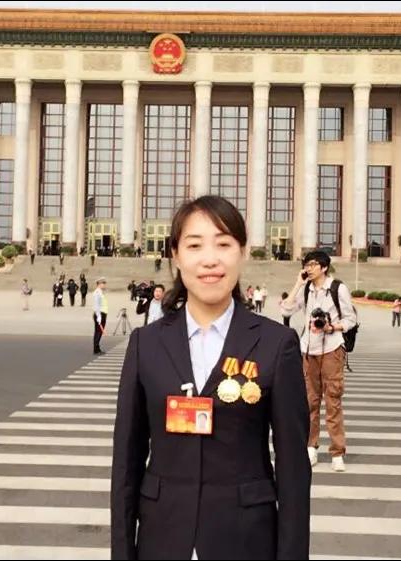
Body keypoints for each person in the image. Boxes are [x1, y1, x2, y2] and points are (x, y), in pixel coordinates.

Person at [111, 195, 310, 560]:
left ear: (242, 252)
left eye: (223, 244)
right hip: (163, 538)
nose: (210, 259)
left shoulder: (275, 344)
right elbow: (126, 464)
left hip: (246, 540)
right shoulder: (145, 344)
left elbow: (294, 471)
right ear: (175, 255)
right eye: (195, 245)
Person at [280, 250, 357, 472]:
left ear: (324, 267)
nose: (308, 268)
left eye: (313, 264)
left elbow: (351, 319)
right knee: (309, 402)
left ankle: (337, 452)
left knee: (333, 401)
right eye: (306, 264)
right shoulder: (305, 289)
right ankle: (311, 446)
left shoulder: (337, 288)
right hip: (308, 350)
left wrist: (332, 327)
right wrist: (297, 284)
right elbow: (286, 309)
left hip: (332, 349)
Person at [93, 277, 108, 354]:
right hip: (99, 314)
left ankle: (97, 348)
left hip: (102, 313)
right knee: (98, 332)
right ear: (99, 284)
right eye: (103, 283)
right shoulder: (97, 293)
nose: (104, 285)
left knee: (99, 332)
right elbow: (97, 305)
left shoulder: (100, 292)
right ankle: (96, 349)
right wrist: (98, 316)